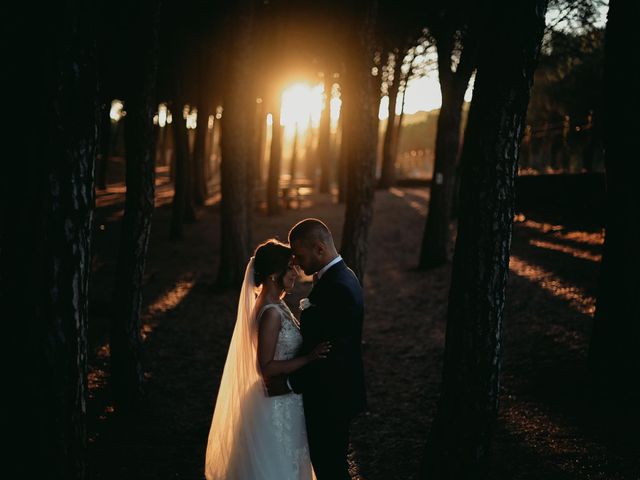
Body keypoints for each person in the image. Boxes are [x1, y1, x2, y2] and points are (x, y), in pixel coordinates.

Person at [204, 239, 329, 480]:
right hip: (275, 404)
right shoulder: (271, 313)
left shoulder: (277, 303)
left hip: (286, 398)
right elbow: (267, 367)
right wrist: (309, 358)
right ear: (274, 274)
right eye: (290, 267)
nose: (296, 272)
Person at [286, 218, 367, 480]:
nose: (296, 263)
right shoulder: (339, 276)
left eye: (299, 255)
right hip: (332, 395)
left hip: (330, 398)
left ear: (319, 249)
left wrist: (289, 383)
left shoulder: (338, 287)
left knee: (330, 468)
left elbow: (330, 353)